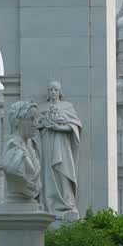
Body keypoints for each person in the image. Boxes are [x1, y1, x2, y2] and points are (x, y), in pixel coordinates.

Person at [38, 81, 82, 220]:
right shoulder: (42, 107)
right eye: (50, 90)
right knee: (48, 174)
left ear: (60, 92)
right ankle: (48, 204)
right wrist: (44, 124)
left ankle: (67, 204)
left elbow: (75, 126)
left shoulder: (67, 107)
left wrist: (59, 128)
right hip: (47, 143)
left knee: (64, 171)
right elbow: (36, 124)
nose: (53, 93)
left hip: (62, 144)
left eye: (56, 90)